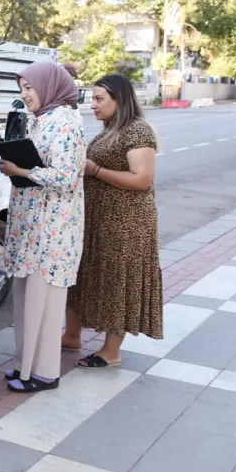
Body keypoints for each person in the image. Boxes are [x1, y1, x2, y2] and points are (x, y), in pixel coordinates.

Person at [64, 75, 163, 366]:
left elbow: (142, 179)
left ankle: (111, 351)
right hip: (99, 219)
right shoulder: (109, 130)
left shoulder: (137, 131)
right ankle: (72, 335)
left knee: (117, 282)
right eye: (91, 98)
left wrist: (95, 171)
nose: (92, 105)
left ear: (119, 100)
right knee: (84, 277)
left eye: (99, 99)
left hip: (127, 223)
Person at [0, 61, 85, 393]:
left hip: (53, 229)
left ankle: (45, 372)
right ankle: (25, 364)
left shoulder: (64, 124)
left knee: (45, 300)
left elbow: (65, 177)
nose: (25, 95)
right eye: (22, 89)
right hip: (33, 226)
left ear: (48, 87)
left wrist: (21, 171)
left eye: (29, 88)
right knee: (26, 298)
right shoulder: (42, 121)